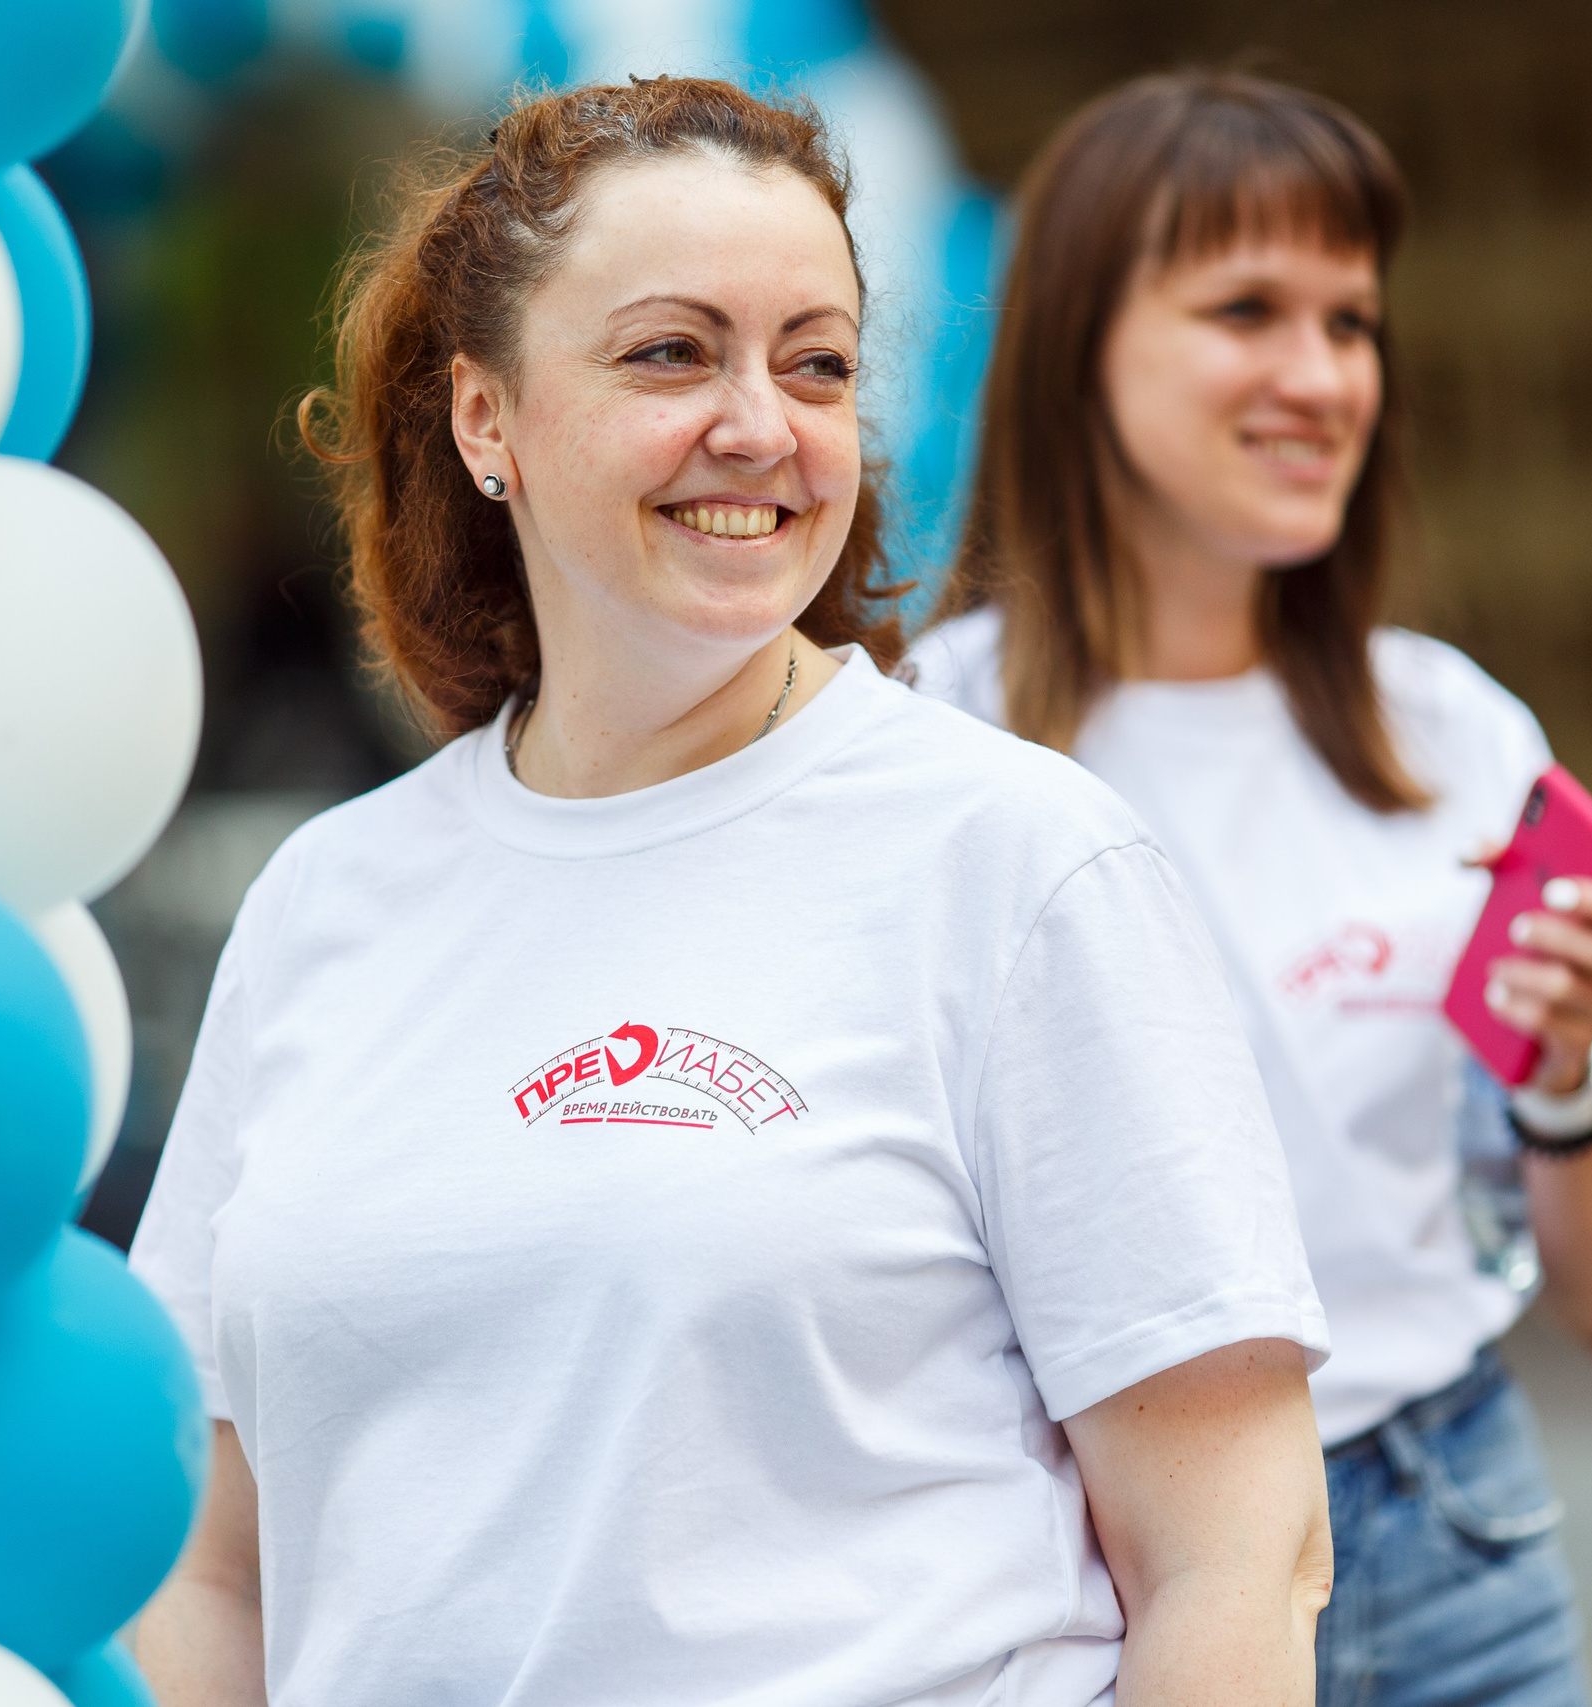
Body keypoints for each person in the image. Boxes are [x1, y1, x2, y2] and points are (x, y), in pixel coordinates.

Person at [128, 77, 1336, 1707]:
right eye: (671, 352)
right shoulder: (327, 899)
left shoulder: (1020, 865)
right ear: (487, 420)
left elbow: (1234, 1560)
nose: (761, 425)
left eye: (817, 362)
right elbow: (212, 1564)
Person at [909, 72, 1592, 1707]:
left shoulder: (1452, 734)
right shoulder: (929, 746)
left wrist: (1568, 1075)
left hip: (1454, 1539)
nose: (1320, 373)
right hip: (1094, 1576)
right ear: (1076, 348)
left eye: (1351, 322)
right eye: (1248, 308)